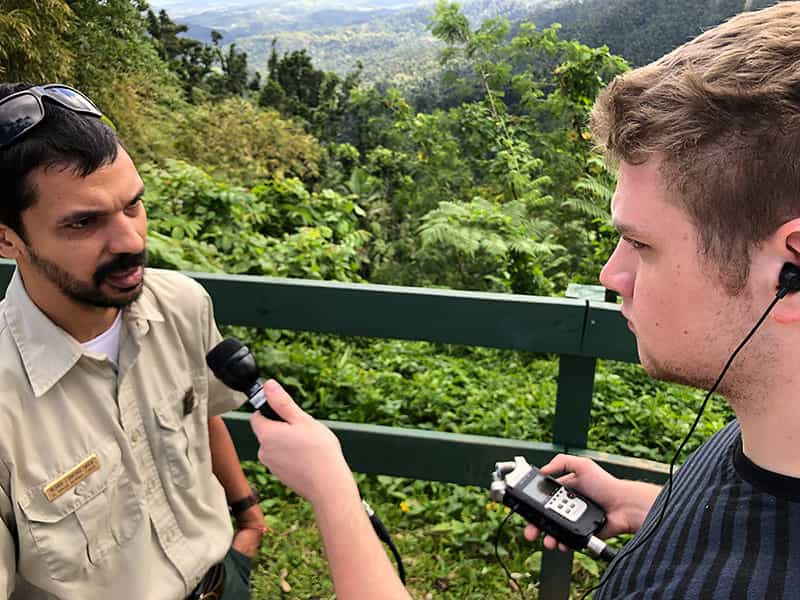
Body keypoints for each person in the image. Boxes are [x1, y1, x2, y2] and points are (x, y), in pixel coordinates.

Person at [251, 2, 800, 598]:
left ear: (790, 269)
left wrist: (332, 490)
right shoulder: (766, 435)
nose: (612, 272)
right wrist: (652, 506)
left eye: (641, 244)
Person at [0, 83, 265, 599]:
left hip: (222, 580)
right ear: (7, 239)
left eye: (133, 205)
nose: (131, 241)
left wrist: (247, 516)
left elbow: (202, 412)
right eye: (83, 222)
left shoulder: (181, 305)